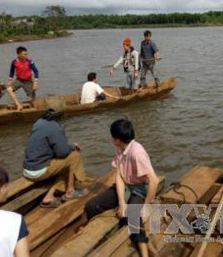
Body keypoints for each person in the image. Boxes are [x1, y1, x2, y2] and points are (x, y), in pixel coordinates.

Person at [85, 119, 159, 257]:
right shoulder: (120, 148)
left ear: (118, 139)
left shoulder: (137, 152)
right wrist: (121, 202)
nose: (112, 139)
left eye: (112, 137)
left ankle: (144, 253)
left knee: (134, 216)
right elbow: (119, 176)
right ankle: (99, 236)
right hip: (125, 186)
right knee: (91, 206)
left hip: (139, 189)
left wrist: (146, 208)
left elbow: (154, 181)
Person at [22, 100, 87, 207]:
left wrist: (69, 147)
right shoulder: (55, 127)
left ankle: (49, 196)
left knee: (67, 162)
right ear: (60, 114)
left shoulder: (38, 122)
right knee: (75, 156)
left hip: (27, 169)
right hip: (38, 171)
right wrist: (73, 147)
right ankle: (70, 192)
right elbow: (63, 152)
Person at [7, 46, 39, 111]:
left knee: (33, 97)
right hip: (19, 80)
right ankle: (18, 105)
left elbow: (36, 71)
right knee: (9, 89)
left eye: (26, 54)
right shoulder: (14, 62)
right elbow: (11, 72)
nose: (26, 55)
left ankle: (35, 109)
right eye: (24, 54)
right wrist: (10, 81)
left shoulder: (29, 61)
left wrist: (35, 83)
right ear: (19, 54)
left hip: (28, 81)